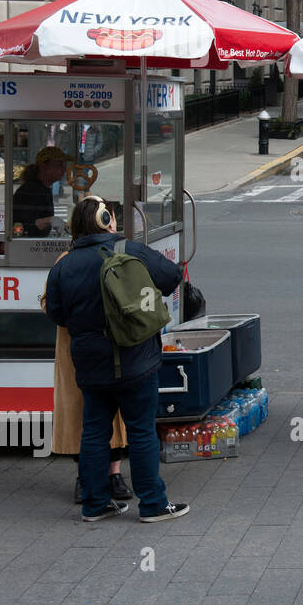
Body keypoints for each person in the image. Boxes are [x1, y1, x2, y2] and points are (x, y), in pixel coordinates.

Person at [43, 196, 186, 522]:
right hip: (136, 360)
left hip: (91, 367)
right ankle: (152, 504)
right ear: (107, 220)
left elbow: (57, 313)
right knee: (141, 431)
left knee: (93, 431)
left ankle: (95, 505)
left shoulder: (64, 264)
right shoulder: (129, 250)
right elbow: (170, 277)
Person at [45, 249, 132, 504]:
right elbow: (50, 305)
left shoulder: (114, 252)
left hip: (109, 344)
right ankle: (84, 477)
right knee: (78, 414)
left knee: (113, 413)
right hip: (76, 348)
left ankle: (114, 474)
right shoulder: (65, 260)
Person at [13, 145, 72, 237]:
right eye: (59, 165)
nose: (64, 170)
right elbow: (24, 226)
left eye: (64, 165)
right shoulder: (31, 191)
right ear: (44, 166)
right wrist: (50, 220)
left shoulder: (43, 188)